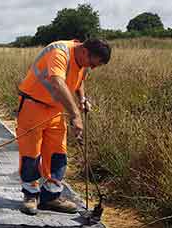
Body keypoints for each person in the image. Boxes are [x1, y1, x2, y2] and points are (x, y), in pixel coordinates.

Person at [16, 38, 111, 215]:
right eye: (92, 63)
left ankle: (51, 197)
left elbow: (79, 78)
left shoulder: (82, 59)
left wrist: (82, 98)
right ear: (84, 51)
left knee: (58, 154)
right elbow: (57, 83)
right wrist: (75, 115)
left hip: (55, 111)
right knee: (31, 155)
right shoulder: (59, 53)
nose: (92, 67)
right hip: (33, 107)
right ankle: (30, 195)